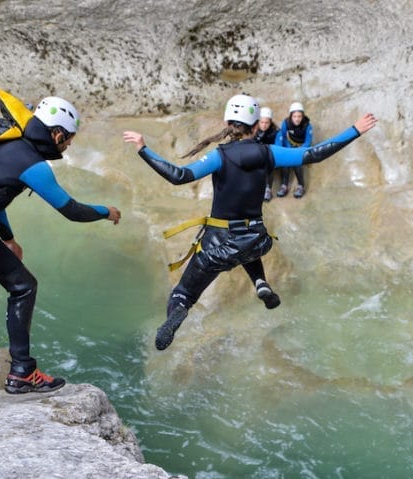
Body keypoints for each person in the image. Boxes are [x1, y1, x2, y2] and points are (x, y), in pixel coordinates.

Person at [123, 94, 376, 350]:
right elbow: (313, 154)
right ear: (256, 125)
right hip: (256, 238)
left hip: (218, 243)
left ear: (227, 121)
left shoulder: (219, 155)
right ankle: (260, 282)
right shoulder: (269, 152)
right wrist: (354, 130)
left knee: (183, 294)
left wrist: (143, 149)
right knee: (245, 245)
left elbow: (179, 176)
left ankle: (178, 313)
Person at [0, 96, 122, 405]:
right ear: (58, 134)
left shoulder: (10, 147)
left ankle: (21, 372)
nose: (68, 146)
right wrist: (105, 211)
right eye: (69, 139)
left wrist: (7, 238)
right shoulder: (31, 162)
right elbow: (70, 209)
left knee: (23, 285)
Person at [274, 102, 313, 198]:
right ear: (291, 116)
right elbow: (282, 136)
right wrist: (288, 148)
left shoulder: (307, 125)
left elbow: (308, 141)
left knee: (297, 162)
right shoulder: (286, 123)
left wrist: (300, 150)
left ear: (302, 116)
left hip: (302, 146)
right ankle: (284, 185)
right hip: (290, 144)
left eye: (299, 116)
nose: (297, 119)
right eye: (294, 116)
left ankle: (301, 185)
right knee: (286, 162)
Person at [253, 107, 279, 202]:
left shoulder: (275, 132)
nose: (264, 125)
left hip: (270, 155)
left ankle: (268, 188)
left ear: (270, 122)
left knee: (269, 165)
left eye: (266, 123)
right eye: (262, 122)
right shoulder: (254, 131)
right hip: (258, 154)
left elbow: (278, 147)